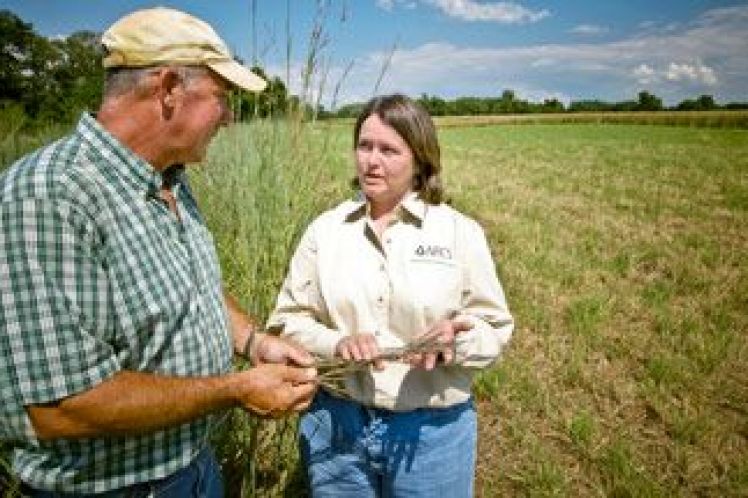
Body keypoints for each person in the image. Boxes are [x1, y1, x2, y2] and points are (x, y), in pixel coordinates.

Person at [0, 7, 316, 497]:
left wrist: (255, 343)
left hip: (193, 469)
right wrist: (234, 388)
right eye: (222, 97)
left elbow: (194, 288)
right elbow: (58, 406)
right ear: (169, 88)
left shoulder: (168, 176)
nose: (229, 117)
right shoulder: (48, 196)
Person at [267, 94, 514, 497]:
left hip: (432, 437)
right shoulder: (325, 231)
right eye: (364, 146)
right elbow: (286, 321)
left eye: (388, 150)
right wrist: (337, 343)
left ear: (420, 159)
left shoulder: (459, 233)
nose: (371, 161)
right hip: (336, 427)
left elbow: (495, 329)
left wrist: (457, 341)